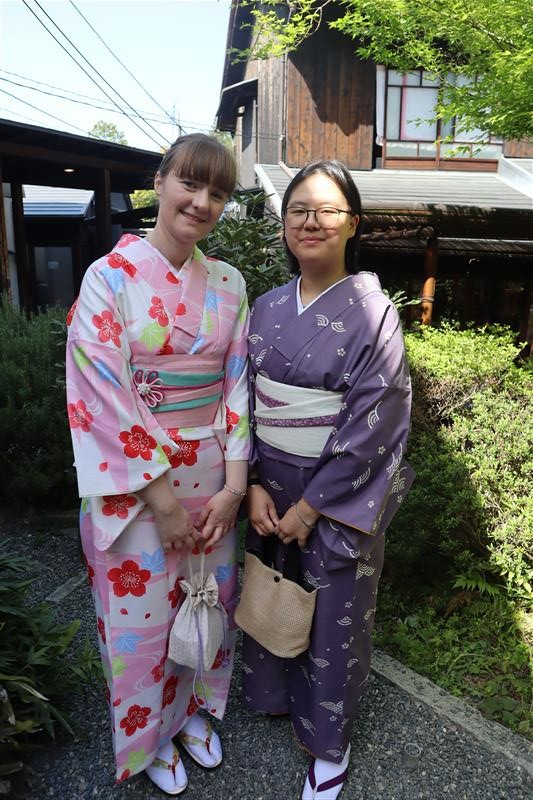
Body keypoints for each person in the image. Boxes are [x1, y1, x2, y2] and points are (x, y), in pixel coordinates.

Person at [66, 133, 250, 794]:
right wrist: (164, 502)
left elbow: (237, 386)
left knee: (206, 601)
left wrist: (234, 489)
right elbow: (101, 395)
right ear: (160, 181)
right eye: (189, 183)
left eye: (217, 192)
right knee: (141, 619)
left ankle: (195, 709)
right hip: (141, 491)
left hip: (213, 485)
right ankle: (151, 738)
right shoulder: (108, 278)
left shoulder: (228, 283)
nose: (201, 202)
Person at [243, 160, 414, 799]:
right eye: (298, 210)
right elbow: (243, 402)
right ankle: (274, 696)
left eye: (327, 210)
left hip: (336, 492)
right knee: (273, 587)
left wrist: (311, 508)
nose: (310, 222)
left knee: (337, 612)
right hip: (270, 483)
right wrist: (251, 481)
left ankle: (328, 742)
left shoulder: (375, 314)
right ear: (284, 222)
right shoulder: (265, 307)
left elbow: (378, 419)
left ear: (353, 224)